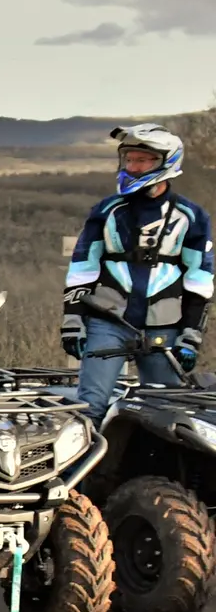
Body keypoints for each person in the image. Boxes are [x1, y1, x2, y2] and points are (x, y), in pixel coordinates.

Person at [63, 123, 212, 421]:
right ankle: (82, 467)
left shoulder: (191, 216)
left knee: (165, 410)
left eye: (143, 160)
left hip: (165, 325)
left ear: (166, 161)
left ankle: (154, 469)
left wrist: (191, 334)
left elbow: (200, 278)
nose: (133, 166)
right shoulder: (106, 211)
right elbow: (82, 267)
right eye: (129, 159)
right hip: (108, 320)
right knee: (90, 406)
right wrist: (72, 320)